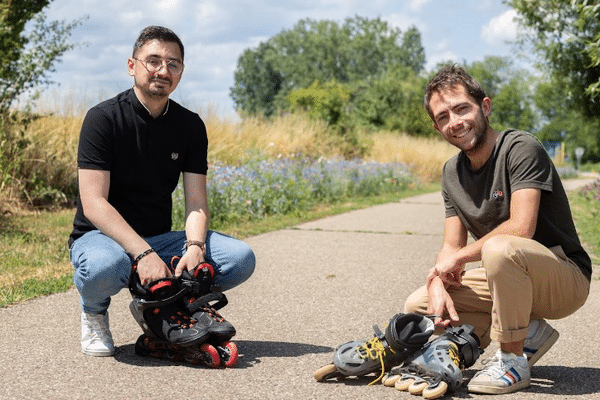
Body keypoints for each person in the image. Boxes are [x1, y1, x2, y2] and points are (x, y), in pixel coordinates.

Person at [403, 65, 592, 394]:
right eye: (444, 116)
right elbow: (451, 245)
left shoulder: (520, 147)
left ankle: (512, 360)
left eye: (462, 108)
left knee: (499, 248)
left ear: (485, 107)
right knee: (419, 304)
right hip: (511, 280)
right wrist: (436, 281)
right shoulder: (451, 173)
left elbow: (521, 227)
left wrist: (458, 260)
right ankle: (528, 331)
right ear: (437, 126)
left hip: (564, 277)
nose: (456, 122)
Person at [68, 26, 255, 357]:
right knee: (102, 267)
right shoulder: (103, 119)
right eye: (153, 60)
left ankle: (168, 304)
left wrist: (195, 247)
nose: (163, 71)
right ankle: (94, 312)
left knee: (240, 258)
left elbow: (196, 203)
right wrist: (142, 254)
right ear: (132, 65)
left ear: (181, 72)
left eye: (173, 64)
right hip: (101, 238)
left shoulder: (190, 125)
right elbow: (94, 204)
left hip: (159, 238)